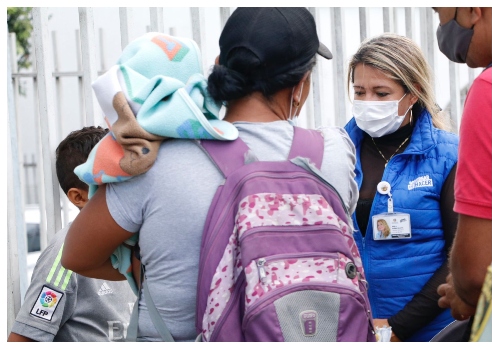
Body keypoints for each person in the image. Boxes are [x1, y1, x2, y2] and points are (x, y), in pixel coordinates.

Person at [61, 7, 359, 341]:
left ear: (218, 66)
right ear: (301, 83)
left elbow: (76, 256)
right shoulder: (333, 153)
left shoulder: (153, 162)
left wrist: (147, 268)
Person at [344, 33, 459, 342]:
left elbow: (459, 256)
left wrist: (397, 328)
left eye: (381, 93)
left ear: (413, 94)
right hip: (353, 329)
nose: (368, 103)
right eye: (359, 92)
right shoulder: (336, 153)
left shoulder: (449, 155)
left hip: (432, 331)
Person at [8, 126, 137, 342]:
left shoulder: (142, 246)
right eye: (111, 184)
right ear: (79, 197)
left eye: (128, 179)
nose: (128, 191)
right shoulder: (63, 255)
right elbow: (22, 341)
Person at [432, 7, 492, 342]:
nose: (441, 27)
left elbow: (475, 274)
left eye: (439, 11)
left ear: (472, 10)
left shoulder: (489, 90)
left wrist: (464, 292)